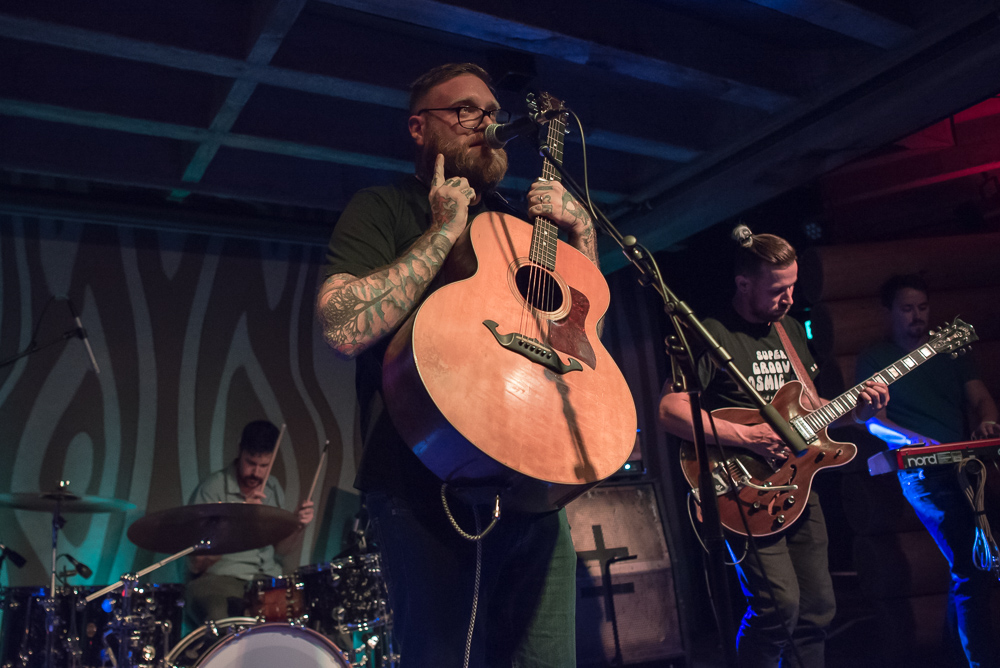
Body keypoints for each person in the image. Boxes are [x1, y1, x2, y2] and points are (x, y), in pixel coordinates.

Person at [315, 63, 597, 666]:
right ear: (419, 128)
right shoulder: (383, 207)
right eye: (467, 111)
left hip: (532, 485)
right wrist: (444, 232)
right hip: (423, 485)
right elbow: (343, 325)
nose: (488, 124)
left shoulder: (521, 226)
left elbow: (580, 332)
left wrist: (584, 235)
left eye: (493, 113)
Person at [658, 229, 889, 667]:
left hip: (801, 484)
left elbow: (812, 407)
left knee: (818, 609)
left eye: (793, 286)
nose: (788, 298)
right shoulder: (710, 332)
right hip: (742, 487)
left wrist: (859, 412)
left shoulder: (788, 331)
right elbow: (669, 410)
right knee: (777, 609)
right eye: (778, 289)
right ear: (744, 283)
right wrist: (747, 436)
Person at [855, 274, 999, 668]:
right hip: (922, 474)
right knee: (971, 566)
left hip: (968, 468)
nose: (917, 317)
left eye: (922, 308)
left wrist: (988, 421)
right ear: (888, 313)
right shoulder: (875, 358)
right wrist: (914, 441)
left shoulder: (949, 351)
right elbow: (872, 421)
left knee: (975, 568)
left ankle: (957, 656)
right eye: (907, 309)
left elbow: (982, 398)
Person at [184, 420, 315, 627]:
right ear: (240, 451)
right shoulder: (212, 489)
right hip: (222, 579)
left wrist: (297, 526)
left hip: (268, 579)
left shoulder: (273, 488)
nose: (256, 473)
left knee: (313, 612)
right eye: (250, 463)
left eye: (264, 466)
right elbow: (197, 564)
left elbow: (281, 550)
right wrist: (239, 519)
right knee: (222, 616)